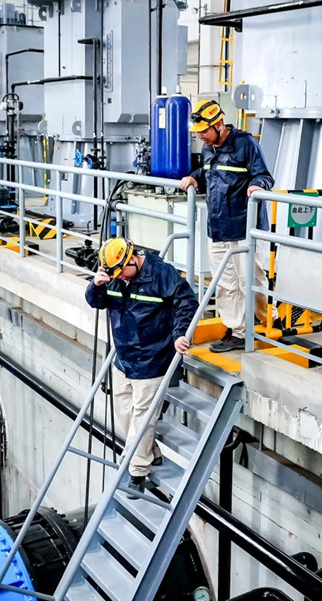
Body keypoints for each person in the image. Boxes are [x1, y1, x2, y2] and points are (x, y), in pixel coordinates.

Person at [85, 237, 199, 491]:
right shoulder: (114, 275)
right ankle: (151, 451)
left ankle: (137, 471)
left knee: (143, 418)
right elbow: (96, 302)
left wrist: (180, 334)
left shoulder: (161, 274)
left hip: (152, 358)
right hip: (123, 358)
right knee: (124, 412)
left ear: (133, 260)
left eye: (121, 273)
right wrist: (96, 285)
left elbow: (186, 302)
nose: (118, 279)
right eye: (113, 275)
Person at [179, 98, 273, 352]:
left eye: (204, 131)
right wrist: (194, 177)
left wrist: (257, 185)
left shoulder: (245, 144)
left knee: (250, 280)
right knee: (225, 283)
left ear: (218, 124)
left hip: (244, 227)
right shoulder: (208, 149)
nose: (201, 137)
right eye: (197, 132)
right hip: (218, 227)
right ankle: (238, 330)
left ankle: (266, 319)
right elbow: (207, 172)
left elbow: (264, 175)